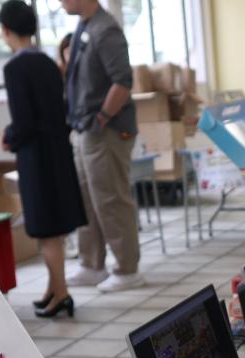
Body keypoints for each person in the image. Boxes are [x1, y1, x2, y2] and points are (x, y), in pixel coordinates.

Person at [0, 1, 88, 319]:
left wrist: (9, 136)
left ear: (5, 30)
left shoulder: (14, 68)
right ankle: (53, 288)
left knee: (46, 230)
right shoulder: (49, 64)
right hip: (59, 153)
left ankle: (61, 294)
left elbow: (24, 122)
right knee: (55, 229)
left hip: (36, 159)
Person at [61, 0, 144, 293]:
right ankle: (92, 264)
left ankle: (127, 269)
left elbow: (122, 81)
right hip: (84, 128)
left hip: (105, 130)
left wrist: (103, 118)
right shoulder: (84, 26)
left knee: (110, 200)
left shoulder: (105, 29)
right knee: (87, 201)